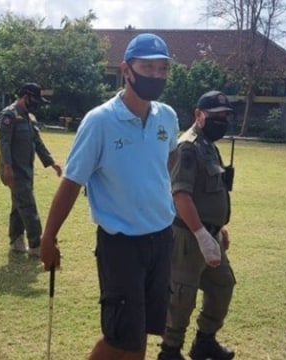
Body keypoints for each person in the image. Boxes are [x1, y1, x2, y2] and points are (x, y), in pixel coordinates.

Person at [40, 33, 179, 360]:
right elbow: (72, 182)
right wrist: (49, 236)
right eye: (148, 67)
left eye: (163, 69)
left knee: (142, 329)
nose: (156, 76)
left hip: (161, 239)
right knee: (121, 338)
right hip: (122, 245)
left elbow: (170, 166)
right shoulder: (100, 121)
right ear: (126, 69)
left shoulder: (167, 117)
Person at [157, 90, 236, 360]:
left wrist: (217, 228)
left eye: (225, 117)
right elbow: (181, 194)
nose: (222, 122)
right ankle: (170, 351)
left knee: (223, 284)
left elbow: (210, 190)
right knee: (182, 295)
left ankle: (204, 341)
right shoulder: (188, 146)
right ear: (198, 115)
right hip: (189, 235)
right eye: (216, 117)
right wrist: (202, 234)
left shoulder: (207, 145)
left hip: (209, 233)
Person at [0, 82, 62, 257]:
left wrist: (51, 162)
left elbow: (37, 143)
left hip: (26, 170)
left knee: (19, 205)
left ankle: (16, 240)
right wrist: (7, 168)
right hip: (14, 171)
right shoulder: (9, 115)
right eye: (35, 99)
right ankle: (36, 245)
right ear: (25, 96)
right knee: (28, 206)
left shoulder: (28, 117)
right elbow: (4, 143)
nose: (37, 103)